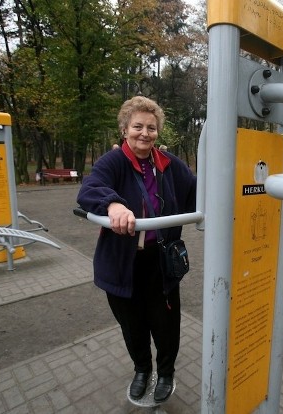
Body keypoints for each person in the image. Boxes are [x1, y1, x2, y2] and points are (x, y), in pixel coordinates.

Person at [77, 96, 196, 404]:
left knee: (166, 323)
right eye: (138, 126)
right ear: (125, 128)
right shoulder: (113, 162)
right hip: (123, 262)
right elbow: (89, 189)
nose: (145, 133)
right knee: (132, 323)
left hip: (160, 261)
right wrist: (113, 203)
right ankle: (142, 369)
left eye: (151, 128)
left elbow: (197, 190)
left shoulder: (168, 164)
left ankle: (166, 372)